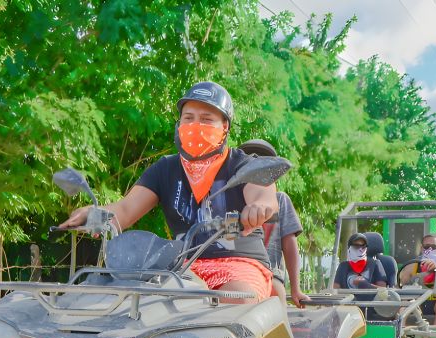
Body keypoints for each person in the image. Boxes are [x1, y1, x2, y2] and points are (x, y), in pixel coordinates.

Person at [60, 81, 278, 303]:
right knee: (136, 303)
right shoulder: (166, 168)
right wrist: (94, 213)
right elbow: (124, 210)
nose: (195, 125)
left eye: (206, 119)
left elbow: (264, 195)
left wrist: (259, 207)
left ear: (225, 127)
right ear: (179, 123)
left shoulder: (242, 164)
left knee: (234, 298)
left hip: (240, 265)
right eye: (188, 118)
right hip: (181, 266)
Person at [238, 139, 310, 308]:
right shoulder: (232, 200)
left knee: (276, 298)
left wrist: (295, 289)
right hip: (238, 273)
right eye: (250, 161)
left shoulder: (279, 201)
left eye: (263, 162)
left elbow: (289, 243)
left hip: (270, 275)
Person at [398, 234, 436, 326]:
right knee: (404, 298)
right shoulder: (412, 265)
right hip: (418, 304)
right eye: (427, 247)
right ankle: (399, 331)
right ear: (422, 248)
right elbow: (400, 285)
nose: (430, 249)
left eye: (434, 247)